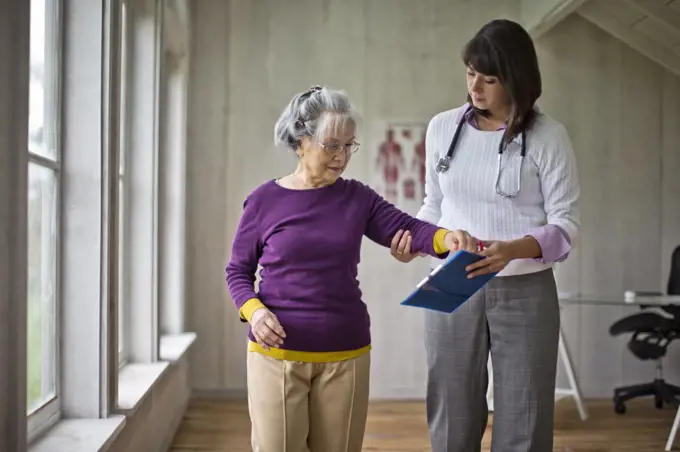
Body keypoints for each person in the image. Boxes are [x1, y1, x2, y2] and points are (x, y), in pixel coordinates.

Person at [225, 85, 473, 452]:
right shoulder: (264, 200)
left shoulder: (357, 197)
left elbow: (410, 229)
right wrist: (255, 312)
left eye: (348, 145)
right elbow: (238, 272)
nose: (341, 156)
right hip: (276, 353)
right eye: (331, 145)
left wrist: (447, 239)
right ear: (301, 142)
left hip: (346, 353)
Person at [390, 19, 580, 452]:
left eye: (489, 78)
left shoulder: (549, 137)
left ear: (517, 79)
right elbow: (432, 205)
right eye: (470, 72)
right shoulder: (441, 128)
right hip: (452, 284)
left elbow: (566, 225)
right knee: (451, 413)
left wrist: (514, 249)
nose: (476, 87)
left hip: (526, 290)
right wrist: (419, 242)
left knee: (524, 418)